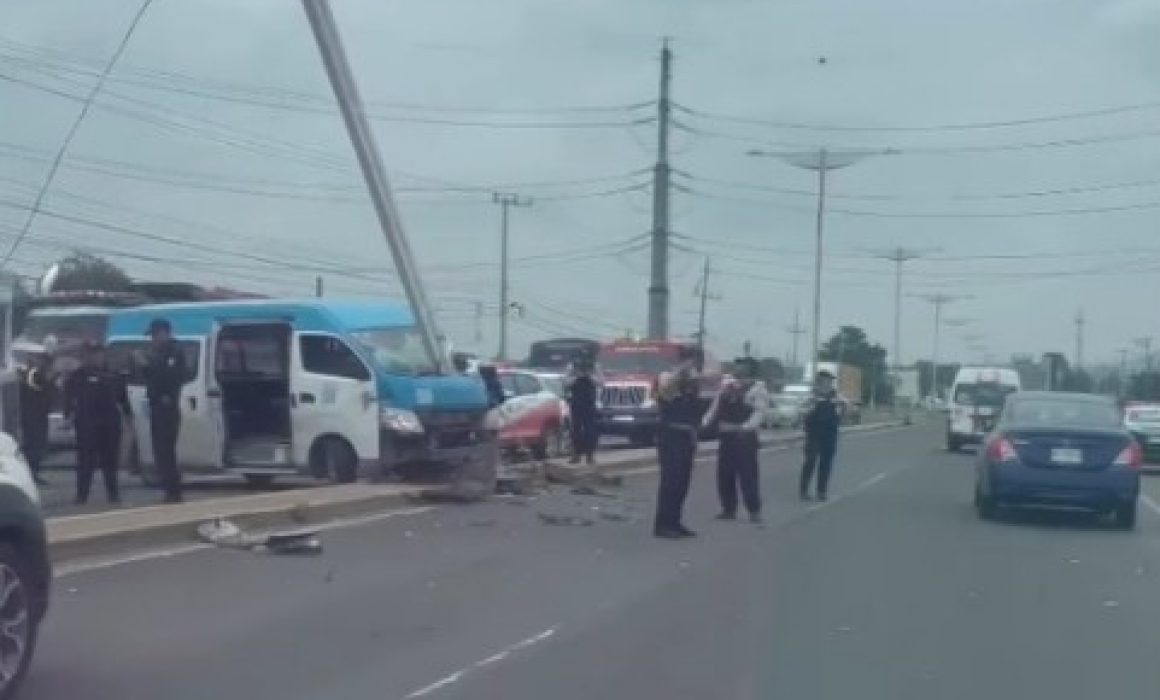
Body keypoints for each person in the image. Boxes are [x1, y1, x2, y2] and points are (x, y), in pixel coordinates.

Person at [64, 342, 129, 505]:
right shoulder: (77, 376)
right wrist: (68, 415)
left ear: (103, 355)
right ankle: (82, 495)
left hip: (109, 423)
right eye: (90, 354)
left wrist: (128, 416)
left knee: (110, 461)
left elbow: (123, 398)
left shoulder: (114, 374)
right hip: (87, 423)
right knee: (85, 461)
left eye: (97, 353)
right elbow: (68, 396)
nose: (94, 357)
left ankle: (113, 494)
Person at [703, 358, 767, 522]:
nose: (738, 368)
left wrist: (745, 428)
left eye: (743, 365)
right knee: (725, 474)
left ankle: (754, 510)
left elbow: (759, 413)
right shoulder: (727, 386)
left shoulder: (757, 388)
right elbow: (715, 406)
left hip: (744, 438)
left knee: (748, 475)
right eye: (738, 365)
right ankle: (728, 508)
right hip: (727, 436)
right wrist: (705, 422)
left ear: (750, 369)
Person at [653, 346, 702, 539]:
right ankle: (663, 525)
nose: (696, 366)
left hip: (686, 436)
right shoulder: (666, 376)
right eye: (693, 361)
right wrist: (682, 371)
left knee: (683, 482)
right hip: (670, 435)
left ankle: (675, 521)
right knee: (670, 481)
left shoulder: (691, 383)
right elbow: (665, 392)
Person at [140, 318, 186, 503]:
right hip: (157, 406)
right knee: (159, 451)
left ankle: (173, 491)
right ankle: (169, 489)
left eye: (155, 335)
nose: (153, 339)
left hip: (167, 407)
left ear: (164, 333)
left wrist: (148, 364)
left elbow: (169, 377)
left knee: (166, 451)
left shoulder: (174, 352)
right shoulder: (159, 353)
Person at [799, 369, 842, 501]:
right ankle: (804, 490)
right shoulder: (811, 396)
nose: (828, 383)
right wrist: (810, 409)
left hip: (830, 433)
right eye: (825, 380)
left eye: (830, 381)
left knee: (826, 462)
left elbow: (843, 411)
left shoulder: (836, 397)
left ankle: (821, 491)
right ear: (819, 382)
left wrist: (840, 409)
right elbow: (802, 411)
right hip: (814, 433)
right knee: (811, 460)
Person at [17, 347, 54, 487]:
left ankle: (33, 472)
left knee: (39, 445)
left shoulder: (37, 373)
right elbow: (34, 388)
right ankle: (29, 473)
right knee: (33, 445)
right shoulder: (32, 373)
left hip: (39, 415)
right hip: (31, 415)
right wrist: (48, 381)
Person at [564, 352, 600, 465]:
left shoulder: (595, 366)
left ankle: (590, 455)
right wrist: (576, 376)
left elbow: (601, 382)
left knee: (590, 429)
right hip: (576, 402)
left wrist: (590, 376)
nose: (583, 361)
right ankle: (576, 455)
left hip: (589, 401)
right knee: (576, 429)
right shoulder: (571, 366)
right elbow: (566, 382)